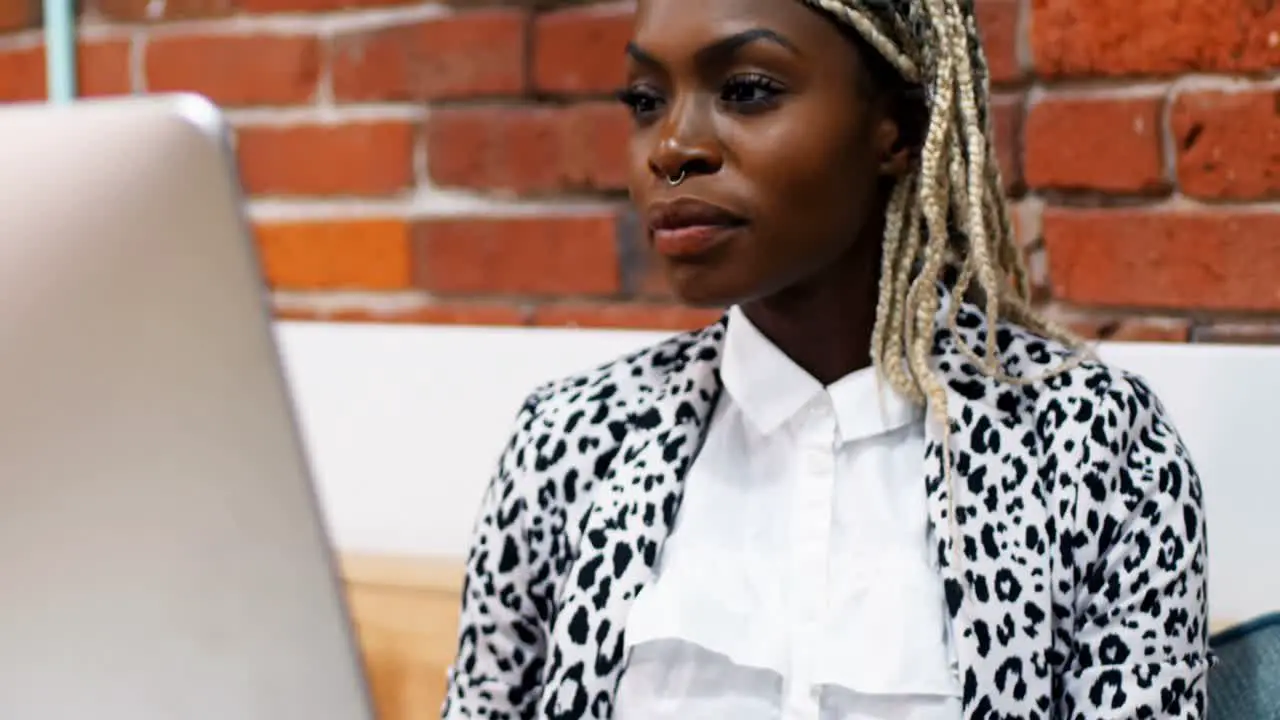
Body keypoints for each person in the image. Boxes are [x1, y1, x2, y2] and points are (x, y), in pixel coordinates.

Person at [441, 0, 1212, 717]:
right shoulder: (571, 441)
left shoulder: (1095, 448)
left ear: (898, 130)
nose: (672, 146)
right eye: (646, 101)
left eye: (745, 89)